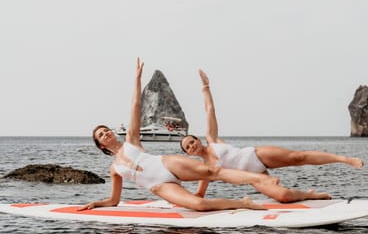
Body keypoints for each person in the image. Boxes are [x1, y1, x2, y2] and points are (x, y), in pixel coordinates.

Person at [79, 59, 280, 212]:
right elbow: (114, 200)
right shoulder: (114, 168)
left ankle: (260, 179)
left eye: (106, 130)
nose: (106, 134)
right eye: (101, 135)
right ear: (101, 146)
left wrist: (137, 79)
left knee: (212, 172)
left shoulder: (131, 140)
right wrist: (97, 203)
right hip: (160, 186)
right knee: (198, 205)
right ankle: (243, 203)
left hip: (166, 164)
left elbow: (136, 106)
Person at [180, 69, 365, 203]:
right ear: (188, 154)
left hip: (256, 155)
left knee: (298, 157)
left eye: (191, 141)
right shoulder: (205, 170)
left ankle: (345, 159)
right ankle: (311, 195)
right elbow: (199, 196)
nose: (191, 146)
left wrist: (205, 88)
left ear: (197, 140)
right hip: (255, 175)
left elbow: (209, 109)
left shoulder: (212, 141)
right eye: (187, 147)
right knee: (282, 196)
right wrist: (176, 196)